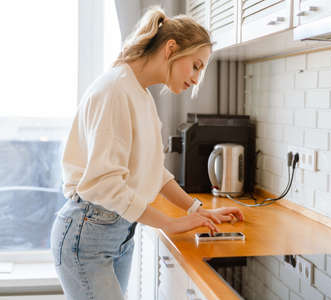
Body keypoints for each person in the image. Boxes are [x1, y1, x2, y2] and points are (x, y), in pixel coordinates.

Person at [50, 7, 244, 300]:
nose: (196, 79)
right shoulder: (115, 90)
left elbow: (156, 172)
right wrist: (171, 223)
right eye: (196, 65)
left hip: (117, 232)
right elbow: (103, 184)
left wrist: (197, 211)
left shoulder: (139, 94)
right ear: (171, 49)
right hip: (87, 235)